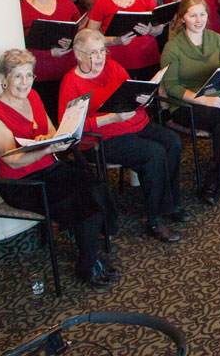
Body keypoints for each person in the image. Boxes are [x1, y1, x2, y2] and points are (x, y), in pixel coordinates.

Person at [0, 49, 119, 289]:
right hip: (23, 183)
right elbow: (12, 160)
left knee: (95, 185)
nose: (25, 83)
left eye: (28, 75)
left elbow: (51, 129)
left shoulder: (34, 97)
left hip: (48, 169)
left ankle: (89, 243)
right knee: (82, 204)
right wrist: (46, 149)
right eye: (17, 76)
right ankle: (88, 266)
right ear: (4, 78)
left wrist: (52, 138)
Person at [59, 29, 186, 243]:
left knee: (172, 141)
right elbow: (70, 128)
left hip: (135, 123)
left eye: (102, 51)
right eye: (93, 53)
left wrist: (142, 99)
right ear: (78, 54)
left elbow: (131, 93)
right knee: (153, 153)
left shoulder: (113, 67)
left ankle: (168, 203)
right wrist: (108, 119)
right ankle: (154, 218)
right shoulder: (71, 83)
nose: (100, 58)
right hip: (102, 138)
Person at [160, 0, 220, 207]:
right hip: (184, 102)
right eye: (193, 15)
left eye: (202, 14)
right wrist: (204, 101)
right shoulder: (172, 47)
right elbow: (171, 87)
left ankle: (213, 179)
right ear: (183, 19)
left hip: (216, 94)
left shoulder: (217, 39)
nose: (198, 19)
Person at [19, 0, 81, 123]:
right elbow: (18, 47)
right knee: (47, 122)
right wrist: (49, 54)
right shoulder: (20, 9)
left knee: (71, 120)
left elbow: (80, 31)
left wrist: (72, 40)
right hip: (39, 77)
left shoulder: (66, 3)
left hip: (70, 73)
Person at [86, 0, 164, 82]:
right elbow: (90, 36)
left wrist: (151, 30)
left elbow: (159, 28)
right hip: (117, 63)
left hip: (148, 59)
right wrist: (114, 41)